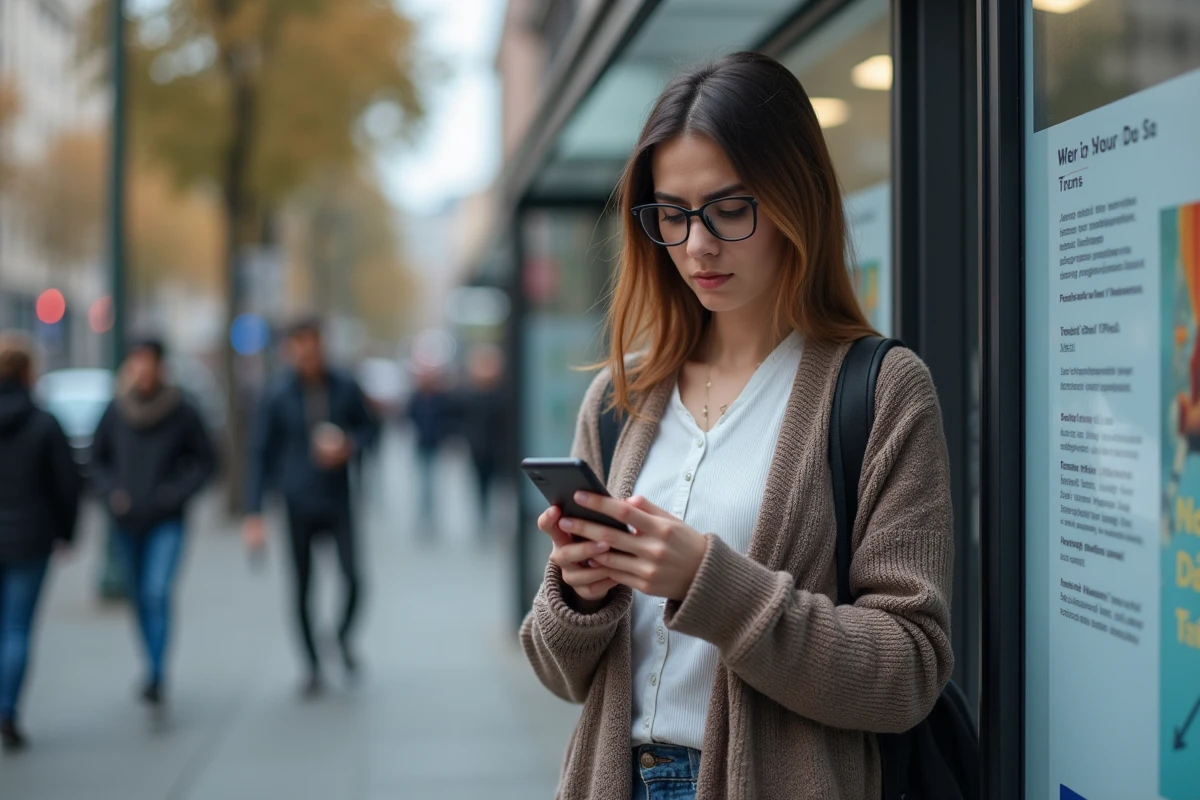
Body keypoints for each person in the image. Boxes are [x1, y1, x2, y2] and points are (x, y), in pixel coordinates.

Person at [520, 52, 954, 800]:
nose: (697, 246)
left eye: (729, 208)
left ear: (796, 200)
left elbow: (908, 669)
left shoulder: (879, 390)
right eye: (672, 214)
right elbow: (561, 674)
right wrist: (580, 594)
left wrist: (710, 583)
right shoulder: (622, 398)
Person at [244, 316, 378, 697]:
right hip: (297, 502)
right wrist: (253, 514)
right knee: (302, 587)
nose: (307, 353)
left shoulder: (344, 385)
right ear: (289, 349)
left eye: (313, 344)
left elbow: (370, 428)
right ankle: (312, 666)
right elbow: (260, 453)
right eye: (299, 345)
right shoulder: (277, 394)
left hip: (337, 499)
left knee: (354, 579)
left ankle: (341, 636)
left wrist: (349, 445)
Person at [91, 336, 217, 707]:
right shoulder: (116, 410)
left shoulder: (182, 409)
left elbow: (207, 461)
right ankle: (150, 662)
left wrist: (175, 493)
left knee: (157, 592)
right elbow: (98, 461)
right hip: (128, 519)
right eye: (136, 361)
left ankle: (157, 673)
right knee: (139, 598)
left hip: (167, 519)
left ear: (161, 365)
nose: (142, 368)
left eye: (149, 361)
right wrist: (112, 492)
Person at [0, 334, 81, 751]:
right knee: (15, 629)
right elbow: (66, 485)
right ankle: (8, 710)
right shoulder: (44, 422)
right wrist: (67, 532)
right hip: (30, 539)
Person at [454, 345, 507, 532]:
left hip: (498, 449)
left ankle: (496, 520)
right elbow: (458, 419)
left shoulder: (501, 394)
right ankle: (483, 519)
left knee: (499, 487)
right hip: (477, 448)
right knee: (480, 486)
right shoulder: (468, 394)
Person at [405, 367, 452, 537]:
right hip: (421, 444)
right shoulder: (416, 398)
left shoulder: (440, 398)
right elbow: (409, 416)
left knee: (431, 483)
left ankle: (431, 518)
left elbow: (448, 419)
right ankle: (423, 518)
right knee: (423, 483)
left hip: (435, 444)